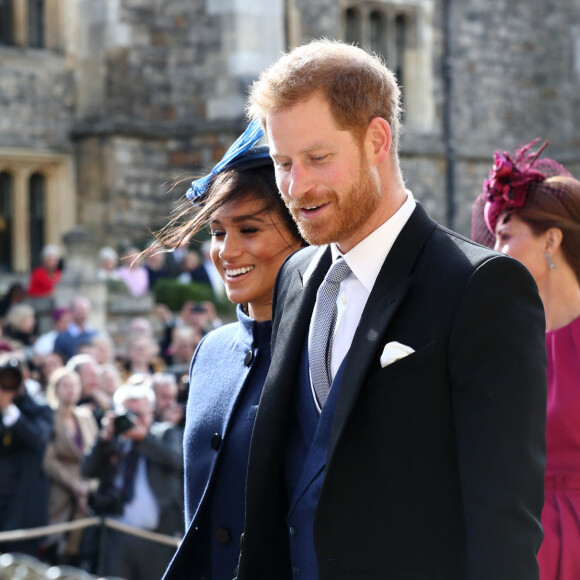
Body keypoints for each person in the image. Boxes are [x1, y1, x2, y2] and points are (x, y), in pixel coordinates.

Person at [234, 39, 548, 580]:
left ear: (377, 139)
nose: (295, 186)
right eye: (283, 162)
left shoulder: (482, 288)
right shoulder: (294, 277)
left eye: (317, 158)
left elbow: (503, 519)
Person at [156, 122, 304, 580]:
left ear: (302, 233)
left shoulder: (327, 349)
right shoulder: (211, 351)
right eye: (218, 232)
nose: (227, 250)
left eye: (250, 228)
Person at [471, 139, 580, 580]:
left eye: (506, 236)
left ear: (551, 240)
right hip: (513, 544)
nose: (494, 252)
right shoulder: (499, 344)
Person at [81, 382, 184, 580]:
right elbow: (88, 470)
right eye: (129, 414)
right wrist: (103, 439)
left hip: (157, 537)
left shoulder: (165, 433)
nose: (134, 420)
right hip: (116, 535)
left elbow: (175, 459)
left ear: (151, 412)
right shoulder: (114, 439)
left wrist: (142, 438)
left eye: (140, 414)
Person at [42, 367, 99, 565]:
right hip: (58, 490)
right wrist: (74, 486)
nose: (71, 390)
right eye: (65, 385)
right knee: (52, 546)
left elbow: (96, 453)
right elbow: (49, 459)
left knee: (79, 550)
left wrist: (87, 487)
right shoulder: (48, 416)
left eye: (74, 385)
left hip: (87, 489)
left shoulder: (85, 416)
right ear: (55, 389)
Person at [0, 356, 53, 557]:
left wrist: (8, 409)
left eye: (14, 377)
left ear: (25, 377)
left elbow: (38, 442)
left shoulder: (39, 408)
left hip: (23, 511)